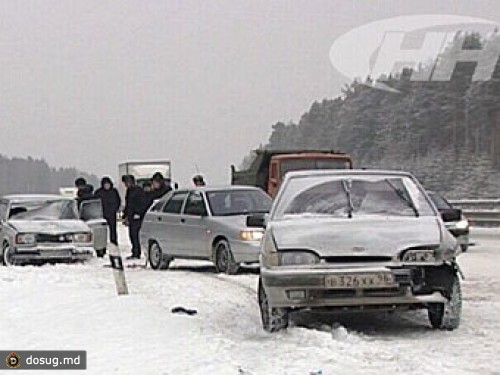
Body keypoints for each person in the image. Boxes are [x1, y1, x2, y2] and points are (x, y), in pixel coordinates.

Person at [121, 175, 148, 259]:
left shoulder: (139, 191)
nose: (126, 185)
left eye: (127, 182)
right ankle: (134, 251)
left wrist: (138, 213)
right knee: (131, 235)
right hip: (131, 216)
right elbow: (128, 204)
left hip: (137, 217)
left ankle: (137, 252)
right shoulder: (129, 191)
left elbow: (142, 204)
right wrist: (125, 214)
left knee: (136, 235)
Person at [94, 177, 121, 246]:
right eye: (105, 184)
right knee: (102, 231)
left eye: (108, 184)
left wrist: (115, 209)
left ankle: (114, 243)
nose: (107, 185)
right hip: (101, 215)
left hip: (112, 214)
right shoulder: (99, 192)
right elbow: (95, 203)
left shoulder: (114, 191)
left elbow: (118, 201)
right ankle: (101, 244)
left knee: (113, 230)